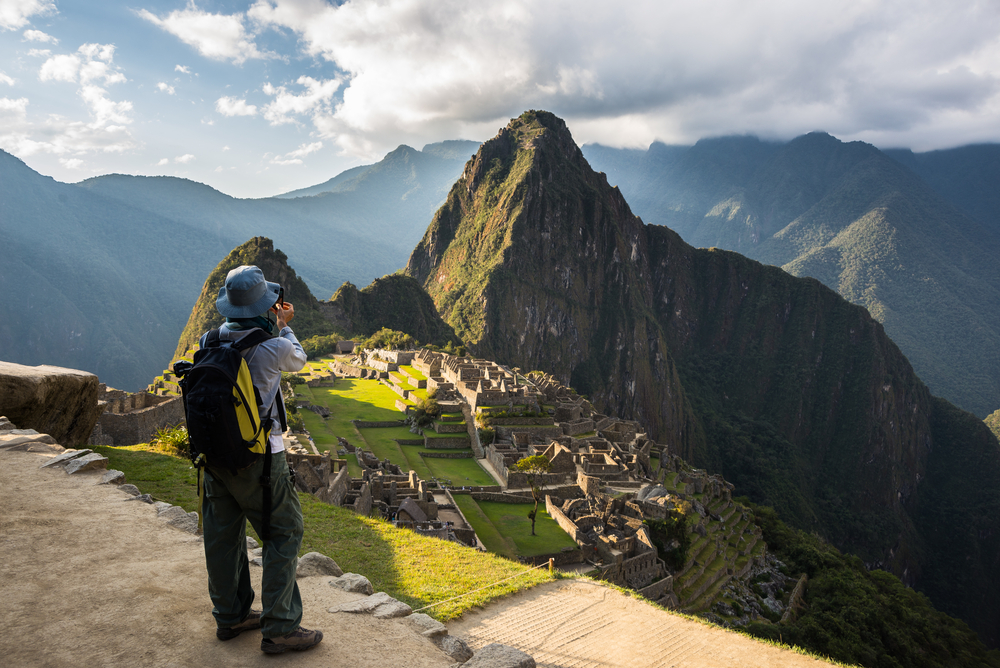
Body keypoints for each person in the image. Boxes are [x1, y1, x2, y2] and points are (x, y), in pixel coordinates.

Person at [200, 264, 323, 654]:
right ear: (266, 305)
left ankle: (231, 615)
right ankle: (281, 626)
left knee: (223, 536)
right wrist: (284, 324)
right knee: (284, 532)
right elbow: (299, 357)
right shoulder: (276, 346)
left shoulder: (208, 340)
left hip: (214, 455)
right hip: (259, 458)